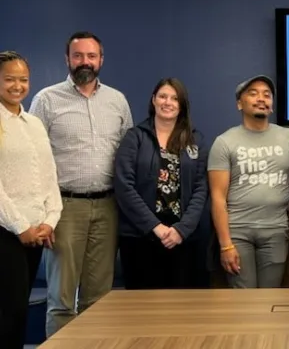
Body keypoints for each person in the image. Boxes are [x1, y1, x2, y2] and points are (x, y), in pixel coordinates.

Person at [29, 32, 134, 336]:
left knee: (99, 299)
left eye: (91, 56)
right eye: (78, 56)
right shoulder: (46, 100)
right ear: (67, 60)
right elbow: (33, 158)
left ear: (101, 60)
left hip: (108, 207)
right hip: (64, 208)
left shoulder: (117, 101)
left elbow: (128, 154)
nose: (84, 62)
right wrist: (42, 215)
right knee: (61, 300)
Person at [208, 75, 289, 288]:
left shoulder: (288, 137)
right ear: (239, 104)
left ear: (271, 105)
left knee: (270, 297)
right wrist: (225, 245)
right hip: (237, 232)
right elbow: (217, 197)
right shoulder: (224, 142)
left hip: (276, 230)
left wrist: (278, 194)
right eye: (253, 94)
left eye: (266, 95)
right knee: (244, 300)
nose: (261, 98)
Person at [114, 78, 208, 289]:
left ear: (182, 105)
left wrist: (181, 230)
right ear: (153, 100)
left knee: (183, 303)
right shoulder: (135, 137)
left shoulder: (196, 140)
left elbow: (201, 188)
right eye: (163, 96)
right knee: (143, 303)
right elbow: (124, 186)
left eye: (175, 98)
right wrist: (154, 227)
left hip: (183, 237)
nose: (168, 102)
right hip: (140, 236)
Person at [0, 51, 62, 349]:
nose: (17, 86)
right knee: (7, 313)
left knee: (18, 312)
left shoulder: (34, 123)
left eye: (23, 79)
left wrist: (49, 221)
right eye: (9, 79)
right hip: (7, 232)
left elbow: (49, 176)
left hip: (36, 234)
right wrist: (20, 226)